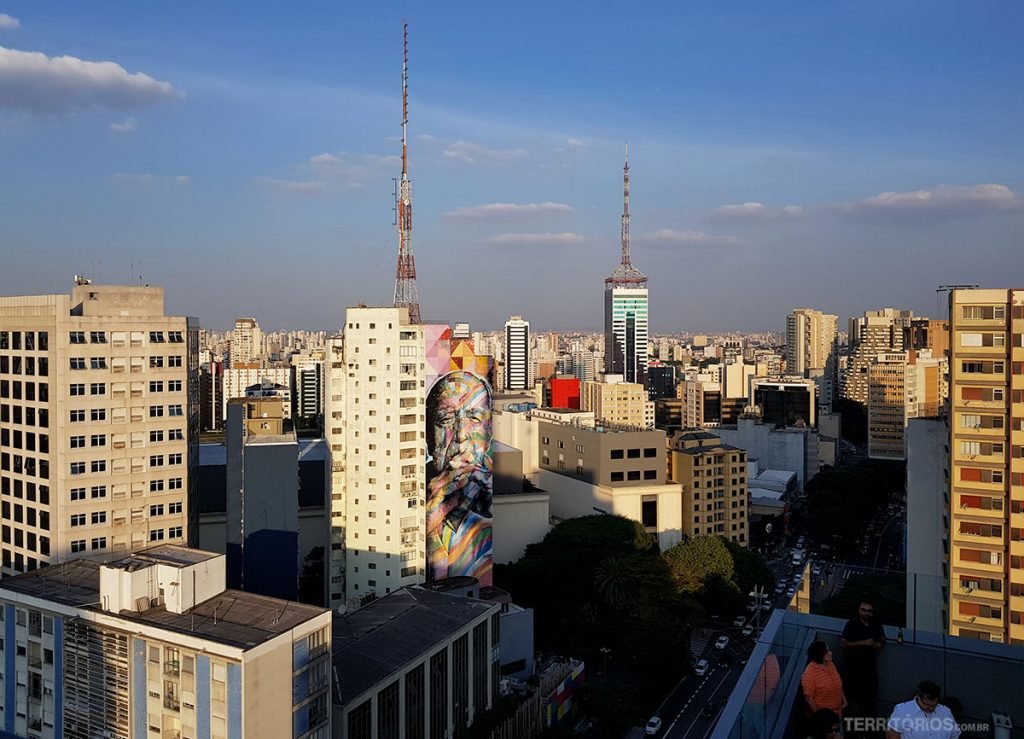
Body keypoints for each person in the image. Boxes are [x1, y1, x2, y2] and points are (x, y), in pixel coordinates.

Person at [425, 371, 494, 585]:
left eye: (474, 418)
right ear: (428, 435)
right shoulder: (411, 491)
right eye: (446, 419)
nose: (461, 435)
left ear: (489, 433)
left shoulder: (491, 494)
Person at [841, 600, 885, 715]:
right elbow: (844, 643)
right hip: (853, 671)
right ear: (859, 610)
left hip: (869, 671)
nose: (866, 613)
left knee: (869, 704)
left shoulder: (876, 624)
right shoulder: (852, 624)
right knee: (851, 703)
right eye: (863, 610)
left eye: (869, 611)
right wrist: (863, 643)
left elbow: (882, 637)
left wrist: (878, 644)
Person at [886, 681, 960, 739]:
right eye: (926, 704)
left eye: (933, 705)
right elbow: (892, 734)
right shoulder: (902, 710)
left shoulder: (946, 712)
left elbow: (954, 735)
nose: (930, 708)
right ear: (919, 697)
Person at [801, 641, 846, 716]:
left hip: (838, 711)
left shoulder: (830, 664)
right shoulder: (810, 673)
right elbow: (809, 698)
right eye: (827, 651)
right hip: (825, 717)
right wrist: (820, 717)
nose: (831, 653)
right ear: (819, 654)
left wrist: (844, 701)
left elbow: (837, 684)